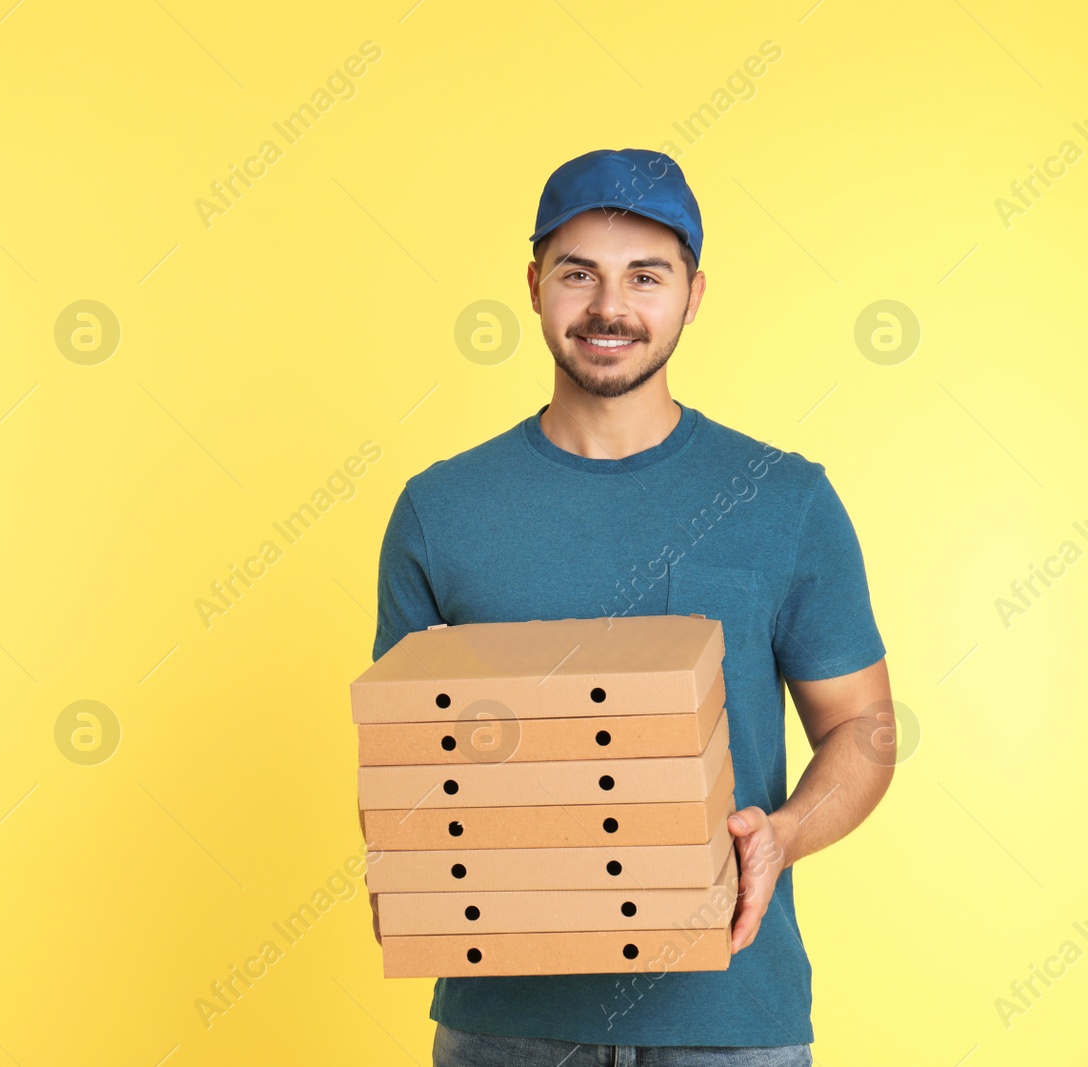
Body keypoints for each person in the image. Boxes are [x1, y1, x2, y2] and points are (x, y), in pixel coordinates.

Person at [366, 148, 894, 1066]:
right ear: (534, 287)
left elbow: (865, 726)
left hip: (730, 1023)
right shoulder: (440, 510)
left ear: (692, 296)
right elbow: (404, 751)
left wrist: (782, 834)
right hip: (504, 1026)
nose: (610, 308)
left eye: (645, 276)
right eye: (580, 274)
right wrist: (405, 863)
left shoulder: (784, 499)